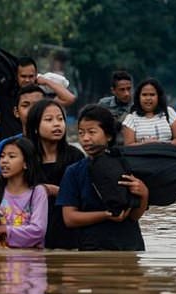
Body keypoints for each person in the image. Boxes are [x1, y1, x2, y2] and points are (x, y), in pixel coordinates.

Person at [57, 105, 149, 251]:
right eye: (81, 133)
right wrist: (105, 215)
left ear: (108, 135)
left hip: (129, 246)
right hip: (92, 249)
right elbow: (70, 218)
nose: (85, 138)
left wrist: (144, 194)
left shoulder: (126, 164)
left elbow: (134, 216)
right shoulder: (74, 172)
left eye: (92, 132)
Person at [0, 42, 76, 141]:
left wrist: (46, 81)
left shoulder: (41, 98)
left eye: (31, 76)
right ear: (16, 76)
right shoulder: (4, 95)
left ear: (36, 75)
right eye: (23, 76)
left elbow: (69, 98)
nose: (27, 80)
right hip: (9, 153)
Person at [26, 99, 84, 249]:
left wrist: (56, 191)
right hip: (33, 233)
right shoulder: (26, 158)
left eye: (60, 119)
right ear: (35, 127)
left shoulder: (75, 156)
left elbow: (85, 197)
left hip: (68, 234)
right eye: (49, 120)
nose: (57, 124)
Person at [0, 137, 48, 248]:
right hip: (2, 257)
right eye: (2, 156)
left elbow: (38, 231)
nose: (4, 161)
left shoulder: (37, 192)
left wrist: (4, 229)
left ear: (26, 163)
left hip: (32, 259)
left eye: (11, 156)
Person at [0, 84, 45, 178]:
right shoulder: (5, 145)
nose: (31, 110)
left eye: (37, 105)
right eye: (25, 105)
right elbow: (1, 185)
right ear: (16, 112)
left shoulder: (54, 144)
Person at [122, 77, 176, 149]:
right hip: (140, 159)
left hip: (168, 158)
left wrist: (160, 145)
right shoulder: (131, 118)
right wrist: (145, 144)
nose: (148, 98)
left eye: (152, 94)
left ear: (158, 96)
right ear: (138, 97)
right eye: (144, 95)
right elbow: (128, 146)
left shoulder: (169, 112)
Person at [98, 71, 133, 145]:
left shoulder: (137, 106)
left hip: (129, 146)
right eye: (122, 90)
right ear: (113, 90)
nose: (127, 93)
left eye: (129, 89)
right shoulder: (104, 104)